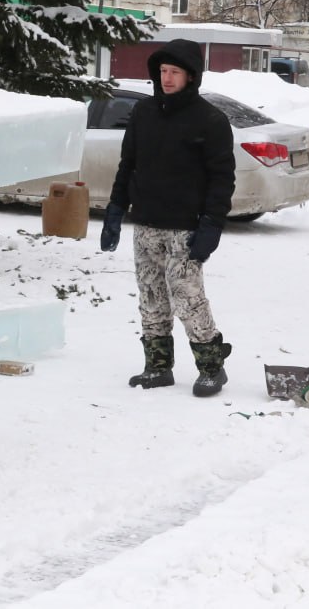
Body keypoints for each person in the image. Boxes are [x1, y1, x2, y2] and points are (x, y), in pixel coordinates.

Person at [100, 38, 236, 397]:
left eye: (175, 71)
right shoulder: (143, 113)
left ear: (191, 76)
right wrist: (115, 209)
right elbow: (128, 164)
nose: (167, 78)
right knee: (151, 295)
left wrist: (212, 224)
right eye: (163, 71)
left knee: (187, 297)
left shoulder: (210, 120)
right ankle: (158, 366)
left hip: (185, 227)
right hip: (146, 222)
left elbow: (222, 178)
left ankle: (212, 368)